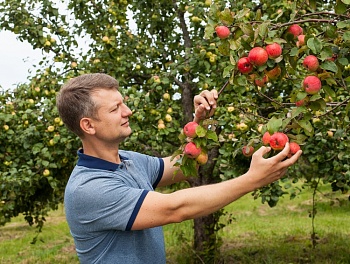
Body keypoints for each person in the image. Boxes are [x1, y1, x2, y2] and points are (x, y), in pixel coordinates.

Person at [56, 73, 302, 264]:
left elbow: (186, 166)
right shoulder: (88, 188)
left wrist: (201, 123)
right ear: (88, 125)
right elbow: (175, 208)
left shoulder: (129, 161)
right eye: (114, 109)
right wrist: (252, 180)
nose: (127, 112)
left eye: (124, 104)